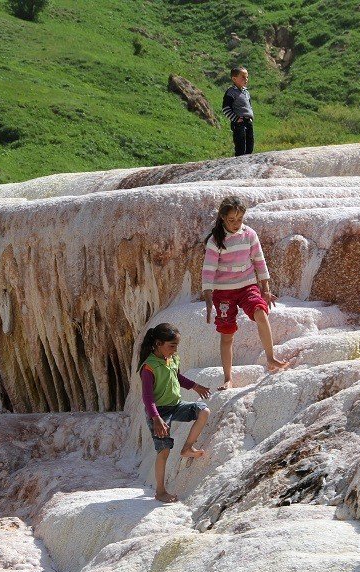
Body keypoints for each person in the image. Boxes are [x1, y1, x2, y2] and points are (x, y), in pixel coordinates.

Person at [202, 196, 289, 389]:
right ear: (222, 218)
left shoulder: (249, 234)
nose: (236, 224)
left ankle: (270, 357)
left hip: (247, 285)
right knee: (227, 334)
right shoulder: (216, 240)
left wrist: (265, 288)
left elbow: (259, 260)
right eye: (231, 220)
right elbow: (208, 270)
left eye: (239, 219)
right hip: (223, 292)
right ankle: (228, 378)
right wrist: (208, 297)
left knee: (260, 312)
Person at [138, 322, 212, 503]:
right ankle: (160, 491)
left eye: (176, 345)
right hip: (158, 412)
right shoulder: (149, 367)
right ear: (158, 343)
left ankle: (187, 448)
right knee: (163, 451)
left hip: (175, 405)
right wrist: (156, 418)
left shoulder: (172, 359)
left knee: (203, 411)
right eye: (171, 346)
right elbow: (147, 397)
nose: (174, 349)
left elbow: (177, 376)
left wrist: (195, 386)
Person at [222, 67, 254, 157]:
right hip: (239, 123)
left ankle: (248, 164)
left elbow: (249, 106)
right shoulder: (231, 92)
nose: (246, 79)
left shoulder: (246, 92)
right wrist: (236, 119)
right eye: (243, 77)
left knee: (250, 145)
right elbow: (226, 108)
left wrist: (251, 117)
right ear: (234, 79)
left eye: (247, 77)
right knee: (240, 147)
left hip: (248, 122)